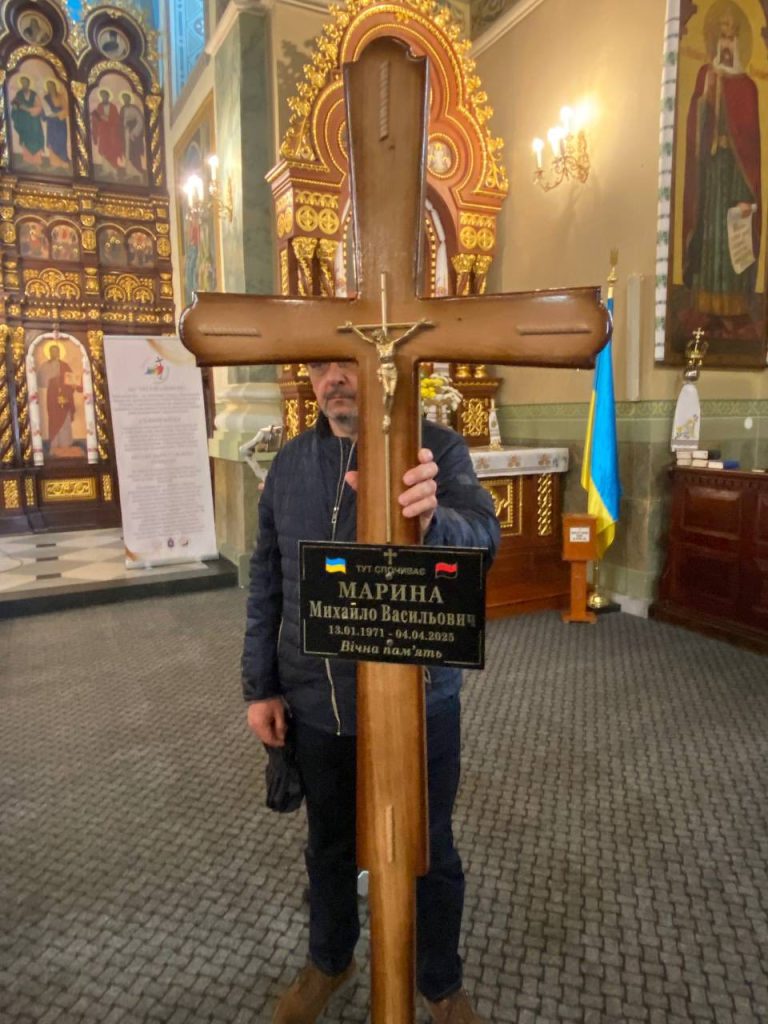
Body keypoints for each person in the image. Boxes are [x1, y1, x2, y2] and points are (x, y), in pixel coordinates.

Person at [243, 359, 500, 1024]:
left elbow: (483, 539)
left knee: (430, 848)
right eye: (321, 365)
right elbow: (267, 577)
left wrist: (434, 521)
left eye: (348, 362)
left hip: (419, 703)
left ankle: (439, 982)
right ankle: (331, 961)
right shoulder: (291, 463)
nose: (335, 377)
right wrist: (260, 687)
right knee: (328, 845)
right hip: (319, 700)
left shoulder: (438, 448)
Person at [682, 2, 761, 331]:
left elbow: (752, 143)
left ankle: (733, 307)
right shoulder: (706, 74)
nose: (727, 35)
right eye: (722, 29)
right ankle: (704, 306)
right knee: (711, 232)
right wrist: (707, 97)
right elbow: (694, 125)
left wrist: (748, 193)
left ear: (738, 37)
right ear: (716, 36)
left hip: (736, 175)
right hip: (711, 175)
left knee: (733, 236)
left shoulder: (748, 86)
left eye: (732, 29)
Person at [11, 76, 45, 166]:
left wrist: (29, 109)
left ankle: (37, 161)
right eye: (22, 83)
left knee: (35, 137)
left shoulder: (34, 94)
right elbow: (14, 104)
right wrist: (15, 107)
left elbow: (39, 107)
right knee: (25, 138)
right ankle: (27, 160)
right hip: (24, 121)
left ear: (29, 84)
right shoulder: (19, 94)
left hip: (33, 120)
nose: (24, 84)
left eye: (25, 83)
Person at [90, 89, 123, 172]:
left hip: (112, 132)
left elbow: (116, 119)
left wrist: (106, 118)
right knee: (103, 149)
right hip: (103, 132)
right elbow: (97, 120)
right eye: (102, 96)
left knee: (112, 150)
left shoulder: (113, 107)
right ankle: (106, 170)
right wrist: (95, 117)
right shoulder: (100, 106)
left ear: (108, 96)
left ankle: (114, 170)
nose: (103, 97)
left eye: (104, 96)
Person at [43, 80, 70, 169]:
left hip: (60, 123)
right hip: (51, 124)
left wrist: (57, 113)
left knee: (61, 141)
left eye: (52, 86)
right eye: (48, 87)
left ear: (55, 87)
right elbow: (44, 111)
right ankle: (54, 163)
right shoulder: (46, 98)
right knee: (52, 142)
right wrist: (47, 115)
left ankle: (63, 162)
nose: (50, 88)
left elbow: (66, 109)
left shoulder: (61, 96)